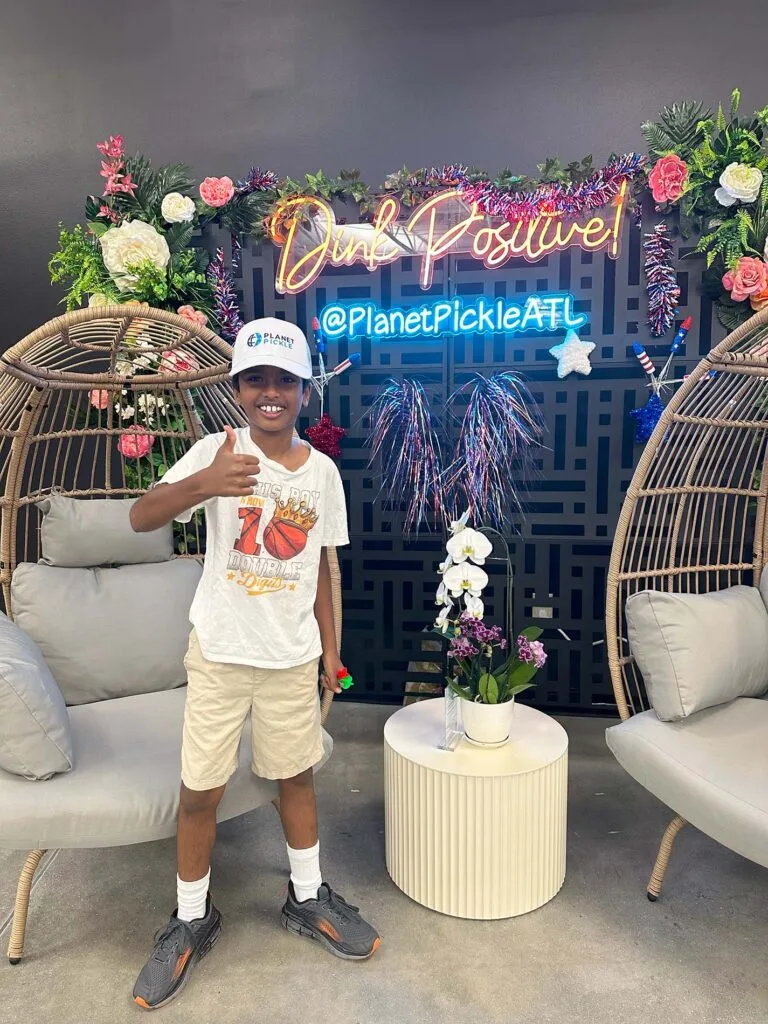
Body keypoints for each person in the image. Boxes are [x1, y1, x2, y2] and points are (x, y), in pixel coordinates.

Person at [129, 317, 379, 1011]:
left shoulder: (323, 473)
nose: (271, 393)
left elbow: (324, 568)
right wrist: (204, 484)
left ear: (304, 391)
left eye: (285, 382)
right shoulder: (219, 449)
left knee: (294, 778)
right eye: (256, 380)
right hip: (219, 651)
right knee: (200, 790)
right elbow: (141, 518)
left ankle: (305, 897)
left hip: (291, 657)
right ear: (237, 388)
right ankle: (189, 917)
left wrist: (331, 650)